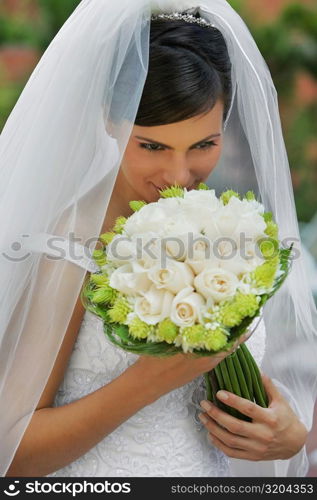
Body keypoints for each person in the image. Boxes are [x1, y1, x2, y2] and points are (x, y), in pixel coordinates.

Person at [1, 0, 316, 478]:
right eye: (152, 146)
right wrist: (153, 378)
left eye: (204, 145)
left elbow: (265, 385)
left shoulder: (227, 230)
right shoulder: (67, 245)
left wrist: (285, 435)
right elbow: (13, 452)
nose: (178, 174)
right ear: (111, 118)